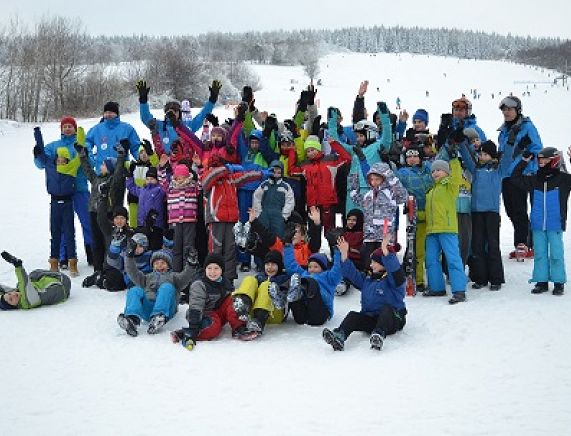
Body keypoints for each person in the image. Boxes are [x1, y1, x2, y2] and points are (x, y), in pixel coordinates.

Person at [322, 236, 406, 351]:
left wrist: (386, 253)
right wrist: (344, 254)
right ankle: (339, 335)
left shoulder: (395, 281)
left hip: (393, 319)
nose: (371, 265)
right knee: (353, 316)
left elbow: (395, 270)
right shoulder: (368, 280)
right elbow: (352, 274)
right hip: (371, 319)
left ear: (384, 263)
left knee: (386, 309)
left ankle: (378, 335)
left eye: (374, 262)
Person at [510, 147, 571, 295]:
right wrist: (524, 161)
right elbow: (515, 178)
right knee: (540, 254)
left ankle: (558, 283)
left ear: (554, 160)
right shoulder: (534, 179)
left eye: (545, 159)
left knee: (556, 254)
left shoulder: (563, 180)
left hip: (555, 224)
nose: (541, 162)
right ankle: (541, 282)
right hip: (537, 225)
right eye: (540, 159)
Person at [33, 117, 93, 269]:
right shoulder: (53, 146)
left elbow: (91, 164)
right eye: (64, 126)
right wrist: (37, 154)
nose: (67, 128)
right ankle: (64, 256)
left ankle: (93, 253)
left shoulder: (82, 145)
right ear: (61, 129)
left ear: (75, 128)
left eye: (70, 126)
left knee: (87, 222)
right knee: (63, 226)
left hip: (80, 190)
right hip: (62, 193)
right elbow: (41, 164)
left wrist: (85, 154)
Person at [459, 140, 514, 290]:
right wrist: (461, 143)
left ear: (492, 155)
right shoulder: (475, 170)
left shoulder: (498, 171)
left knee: (492, 245)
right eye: (480, 154)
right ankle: (480, 278)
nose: (481, 157)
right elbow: (466, 157)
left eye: (485, 154)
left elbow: (508, 157)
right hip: (476, 212)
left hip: (491, 213)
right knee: (477, 246)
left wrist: (511, 142)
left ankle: (496, 279)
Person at [76, 137, 128, 287]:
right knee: (96, 241)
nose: (101, 167)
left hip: (107, 214)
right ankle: (97, 268)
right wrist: (82, 155)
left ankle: (108, 267)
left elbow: (118, 170)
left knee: (107, 241)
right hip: (93, 212)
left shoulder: (114, 180)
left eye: (104, 165)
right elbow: (87, 170)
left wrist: (120, 156)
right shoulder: (96, 179)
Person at [117, 244, 198, 337]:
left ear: (168, 266)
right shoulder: (147, 278)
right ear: (152, 266)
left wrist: (191, 264)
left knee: (167, 287)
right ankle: (132, 319)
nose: (159, 265)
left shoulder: (174, 277)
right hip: (148, 310)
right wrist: (129, 257)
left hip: (167, 310)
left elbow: (186, 276)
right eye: (156, 263)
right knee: (135, 290)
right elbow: (133, 272)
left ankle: (158, 317)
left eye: (163, 263)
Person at [497, 96, 543, 259]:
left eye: (510, 109)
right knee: (510, 210)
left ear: (518, 110)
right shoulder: (503, 131)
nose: (506, 113)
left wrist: (526, 158)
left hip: (521, 174)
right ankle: (526, 242)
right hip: (506, 175)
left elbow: (537, 148)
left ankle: (522, 243)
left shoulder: (527, 127)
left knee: (519, 210)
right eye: (504, 110)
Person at [170, 253, 246, 350]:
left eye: (216, 268)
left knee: (234, 301)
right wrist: (193, 327)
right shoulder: (199, 284)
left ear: (222, 270)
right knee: (214, 328)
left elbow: (228, 303)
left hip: (218, 312)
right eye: (209, 268)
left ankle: (239, 328)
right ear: (205, 269)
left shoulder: (224, 282)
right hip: (202, 314)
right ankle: (184, 333)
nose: (212, 272)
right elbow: (196, 306)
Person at [269, 228, 342, 326]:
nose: (312, 269)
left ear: (323, 268)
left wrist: (337, 249)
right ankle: (282, 297)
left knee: (310, 282)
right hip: (301, 316)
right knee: (295, 278)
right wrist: (287, 245)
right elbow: (291, 265)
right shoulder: (304, 273)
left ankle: (293, 292)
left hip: (319, 314)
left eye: (316, 267)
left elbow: (338, 268)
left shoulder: (329, 277)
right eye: (310, 266)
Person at [422, 156, 468, 304]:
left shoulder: (450, 187)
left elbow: (456, 176)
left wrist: (454, 159)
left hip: (447, 229)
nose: (435, 173)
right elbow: (430, 212)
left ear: (447, 172)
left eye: (439, 170)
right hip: (432, 231)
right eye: (433, 170)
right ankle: (437, 288)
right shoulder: (430, 191)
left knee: (453, 259)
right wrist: (414, 213)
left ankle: (459, 291)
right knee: (430, 259)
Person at [287, 133, 351, 233]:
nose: (311, 153)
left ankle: (334, 248)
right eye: (308, 151)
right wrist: (292, 152)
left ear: (319, 149)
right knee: (313, 233)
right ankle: (314, 249)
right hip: (313, 205)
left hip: (328, 203)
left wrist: (334, 144)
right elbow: (291, 171)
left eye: (313, 149)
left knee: (331, 233)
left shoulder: (331, 161)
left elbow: (346, 158)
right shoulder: (305, 165)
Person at [136, 79, 221, 154]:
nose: (172, 114)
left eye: (175, 111)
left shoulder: (187, 125)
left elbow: (202, 115)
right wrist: (143, 101)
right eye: (169, 111)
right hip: (165, 164)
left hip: (185, 164)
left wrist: (212, 100)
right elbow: (146, 118)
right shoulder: (159, 126)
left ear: (179, 112)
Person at [351, 161, 408, 266]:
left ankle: (386, 279)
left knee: (384, 262)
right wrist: (354, 178)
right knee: (368, 261)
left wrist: (390, 175)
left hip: (385, 235)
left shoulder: (391, 193)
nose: (374, 182)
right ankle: (368, 278)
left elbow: (403, 195)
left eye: (377, 179)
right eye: (372, 179)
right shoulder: (368, 194)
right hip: (369, 235)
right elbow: (355, 198)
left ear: (384, 179)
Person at [395, 146, 434, 292]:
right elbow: (394, 181)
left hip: (433, 213)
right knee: (417, 250)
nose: (412, 159)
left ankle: (435, 278)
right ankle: (418, 279)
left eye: (415, 156)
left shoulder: (429, 169)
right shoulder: (404, 172)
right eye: (408, 157)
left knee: (433, 249)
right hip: (416, 215)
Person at [231, 250, 291, 340]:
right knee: (250, 279)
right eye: (267, 264)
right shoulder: (259, 277)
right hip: (253, 313)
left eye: (273, 264)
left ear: (279, 266)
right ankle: (242, 306)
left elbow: (284, 300)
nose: (270, 267)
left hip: (274, 314)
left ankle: (258, 322)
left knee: (267, 284)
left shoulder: (284, 279)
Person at [158, 157, 200, 272]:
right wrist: (161, 168)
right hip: (174, 222)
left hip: (189, 221)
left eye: (183, 177)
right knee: (176, 248)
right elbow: (162, 182)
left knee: (189, 247)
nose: (180, 180)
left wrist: (199, 166)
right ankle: (176, 273)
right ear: (175, 177)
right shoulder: (170, 187)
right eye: (178, 177)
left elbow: (201, 183)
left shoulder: (192, 187)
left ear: (187, 176)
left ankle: (188, 273)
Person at [0, 251, 71, 310]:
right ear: (13, 306)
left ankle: (54, 274)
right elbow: (24, 282)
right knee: (31, 277)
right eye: (11, 299)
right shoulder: (27, 302)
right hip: (62, 286)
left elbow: (6, 289)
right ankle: (56, 272)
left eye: (9, 294)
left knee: (31, 276)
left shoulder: (18, 296)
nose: (13, 295)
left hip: (52, 285)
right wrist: (17, 266)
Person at [85, 101, 140, 174]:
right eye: (106, 112)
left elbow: (136, 148)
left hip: (121, 171)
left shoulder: (127, 128)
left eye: (111, 112)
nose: (108, 114)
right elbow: (86, 143)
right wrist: (91, 159)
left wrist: (143, 161)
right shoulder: (96, 129)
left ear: (116, 114)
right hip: (102, 170)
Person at [335, 208, 364, 296]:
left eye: (354, 220)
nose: (351, 222)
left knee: (348, 270)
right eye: (349, 219)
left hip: (356, 261)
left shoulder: (363, 234)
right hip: (343, 258)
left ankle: (343, 284)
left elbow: (363, 251)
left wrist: (349, 249)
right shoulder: (344, 233)